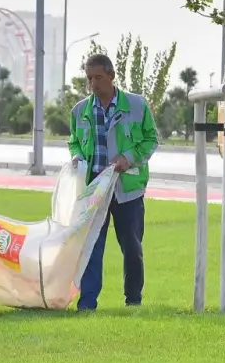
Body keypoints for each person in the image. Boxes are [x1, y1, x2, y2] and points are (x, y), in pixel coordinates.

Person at [68, 54, 159, 311]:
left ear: (111, 76)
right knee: (91, 247)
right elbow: (74, 140)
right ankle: (87, 305)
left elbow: (151, 140)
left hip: (126, 189)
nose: (93, 84)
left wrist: (127, 159)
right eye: (89, 79)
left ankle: (133, 301)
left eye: (98, 78)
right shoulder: (79, 111)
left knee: (132, 247)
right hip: (94, 190)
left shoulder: (137, 106)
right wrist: (76, 155)